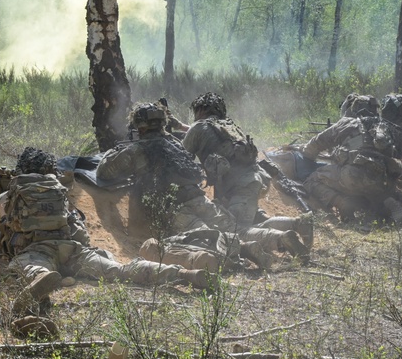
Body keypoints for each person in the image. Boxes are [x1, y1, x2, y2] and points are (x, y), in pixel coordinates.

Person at [0, 148, 215, 311]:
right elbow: (79, 233)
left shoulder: (8, 196)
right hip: (73, 250)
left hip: (38, 252)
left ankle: (42, 277)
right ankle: (183, 274)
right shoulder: (60, 193)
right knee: (121, 270)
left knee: (22, 266)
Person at [96, 102, 300, 268]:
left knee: (206, 238)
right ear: (162, 124)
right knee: (238, 228)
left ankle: (246, 250)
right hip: (199, 198)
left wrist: (115, 150)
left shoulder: (136, 150)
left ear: (139, 126)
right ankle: (278, 238)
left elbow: (104, 171)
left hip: (175, 207)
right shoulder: (174, 144)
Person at [182, 92, 313, 258]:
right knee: (255, 220)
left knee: (236, 231)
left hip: (240, 186)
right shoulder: (229, 125)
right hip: (255, 180)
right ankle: (298, 224)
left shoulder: (198, 128)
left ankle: (281, 239)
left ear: (200, 110)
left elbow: (181, 156)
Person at [299, 97, 402, 224]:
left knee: (312, 179)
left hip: (353, 177)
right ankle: (385, 202)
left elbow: (315, 144)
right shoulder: (384, 127)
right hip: (382, 182)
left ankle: (342, 203)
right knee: (372, 192)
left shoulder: (347, 123)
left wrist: (307, 154)